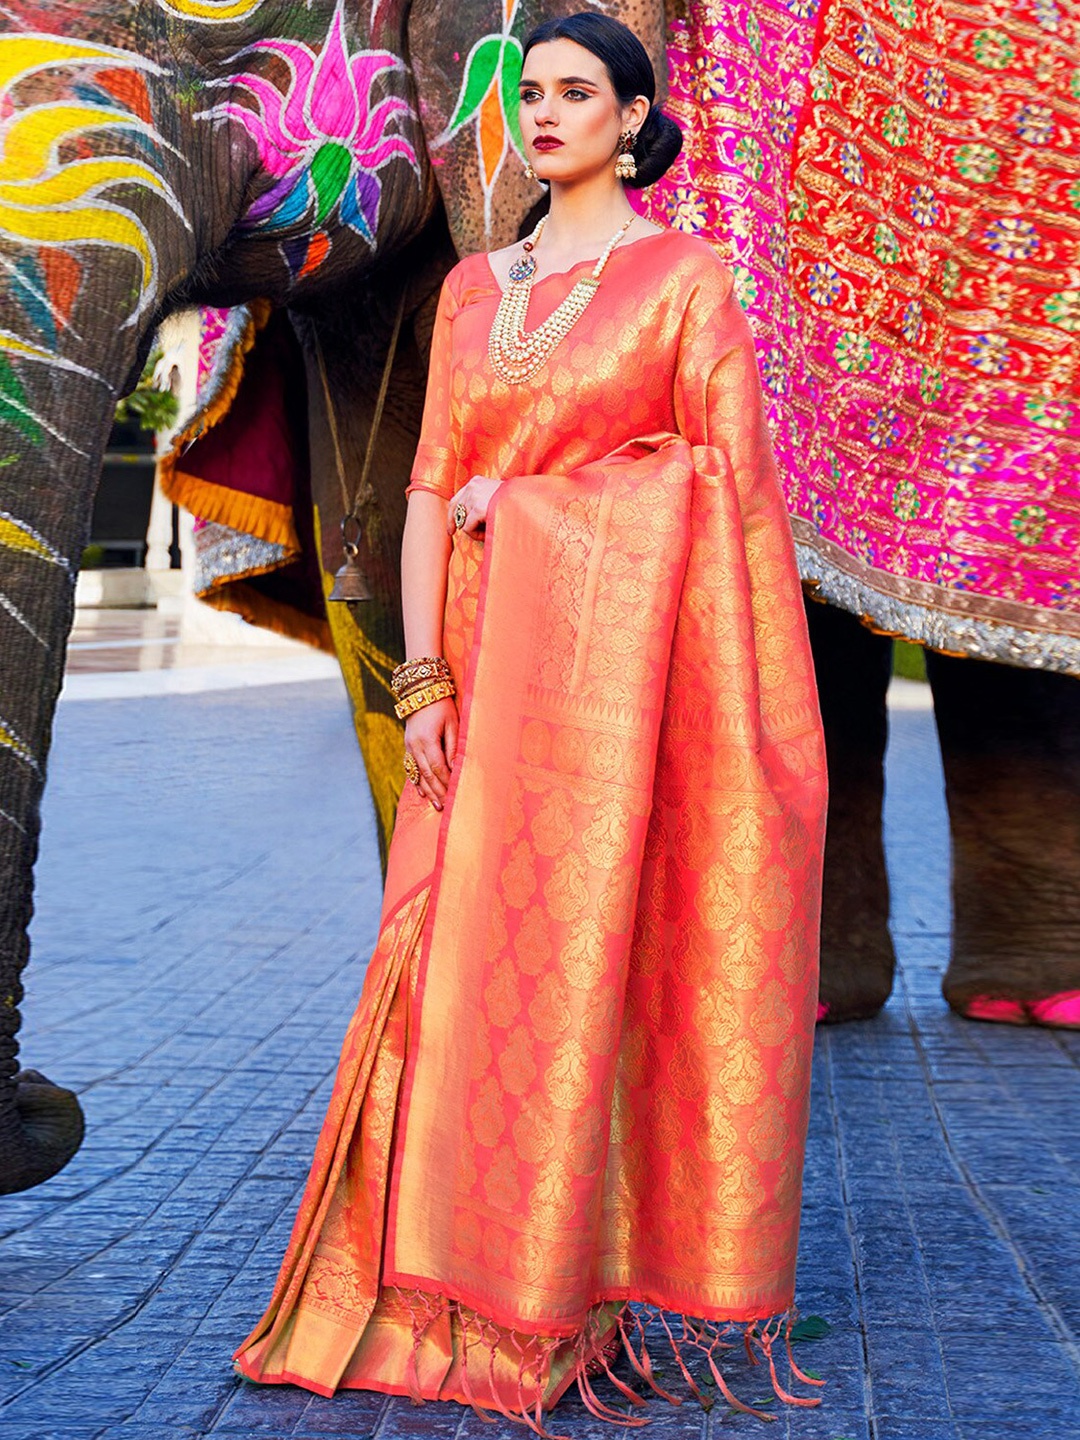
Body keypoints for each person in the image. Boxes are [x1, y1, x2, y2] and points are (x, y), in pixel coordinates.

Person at [234, 11, 827, 1432]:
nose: (543, 113)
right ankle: (409, 1299)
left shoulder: (686, 282)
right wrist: (421, 678)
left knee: (585, 975)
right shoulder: (470, 293)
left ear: (633, 121)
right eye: (530, 92)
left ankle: (549, 1309)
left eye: (576, 94)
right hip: (475, 689)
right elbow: (434, 481)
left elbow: (724, 492)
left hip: (610, 707)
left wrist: (549, 507)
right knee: (436, 974)